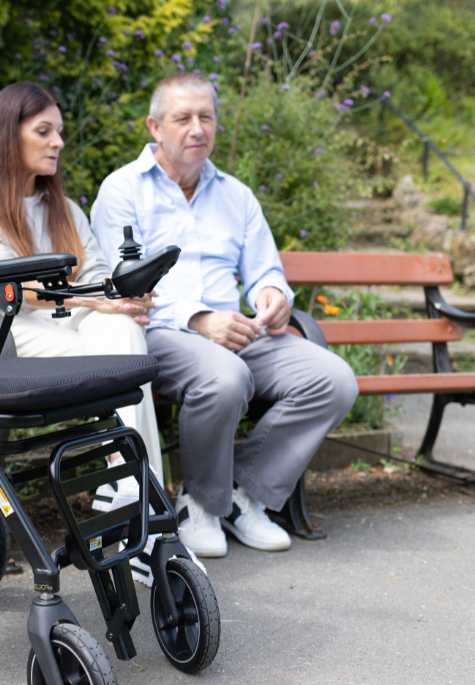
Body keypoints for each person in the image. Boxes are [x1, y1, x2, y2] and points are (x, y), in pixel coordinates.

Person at [91, 72, 358, 562]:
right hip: (159, 333)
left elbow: (264, 270)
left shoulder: (236, 195)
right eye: (183, 118)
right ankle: (200, 505)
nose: (198, 128)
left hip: (241, 333)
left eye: (206, 117)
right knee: (225, 375)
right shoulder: (122, 191)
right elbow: (122, 287)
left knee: (334, 379)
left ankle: (243, 495)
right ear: (155, 126)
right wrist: (198, 319)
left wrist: (273, 296)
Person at [0, 82, 168, 531]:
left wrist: (122, 297)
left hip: (68, 324)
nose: (59, 143)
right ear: (8, 135)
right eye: (44, 131)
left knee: (124, 330)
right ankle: (145, 504)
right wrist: (95, 299)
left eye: (59, 131)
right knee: (117, 352)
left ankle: (131, 490)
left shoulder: (63, 208)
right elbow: (9, 287)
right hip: (4, 332)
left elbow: (96, 272)